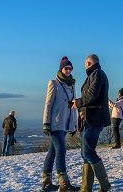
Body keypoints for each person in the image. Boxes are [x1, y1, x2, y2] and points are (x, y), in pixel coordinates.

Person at [41, 56, 78, 192]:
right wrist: (46, 123)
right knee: (61, 150)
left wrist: (74, 125)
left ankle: (46, 182)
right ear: (61, 69)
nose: (68, 70)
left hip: (65, 124)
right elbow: (48, 104)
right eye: (66, 68)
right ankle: (64, 183)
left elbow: (73, 105)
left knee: (52, 152)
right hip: (55, 123)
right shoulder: (53, 83)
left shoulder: (72, 84)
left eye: (70, 68)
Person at [76, 54, 111, 192]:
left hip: (94, 119)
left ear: (89, 63)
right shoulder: (95, 74)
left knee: (88, 152)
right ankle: (86, 188)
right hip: (90, 118)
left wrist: (77, 102)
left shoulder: (97, 74)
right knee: (85, 153)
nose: (84, 66)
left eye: (85, 64)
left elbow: (91, 95)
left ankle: (105, 186)